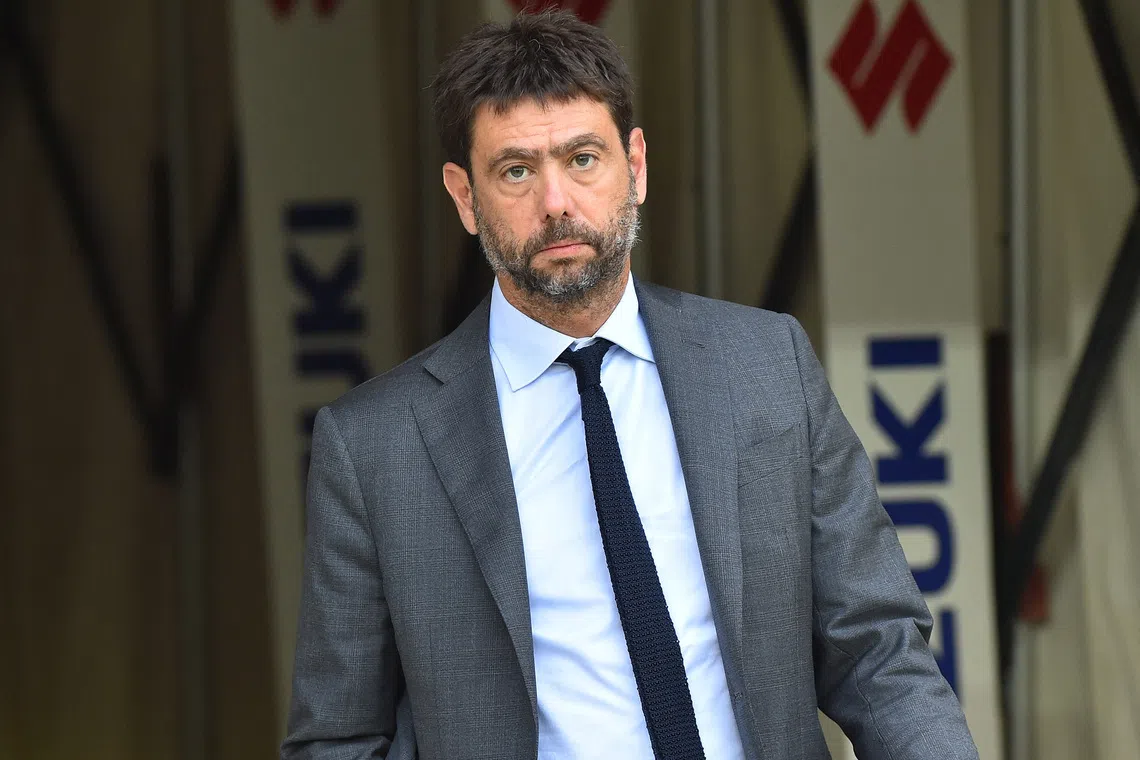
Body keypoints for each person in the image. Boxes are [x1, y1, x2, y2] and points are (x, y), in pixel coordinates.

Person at [281, 10, 978, 760]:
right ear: (463, 196)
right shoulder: (376, 447)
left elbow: (877, 651)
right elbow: (338, 739)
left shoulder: (766, 366)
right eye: (516, 170)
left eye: (583, 159)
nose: (556, 202)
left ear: (636, 167)